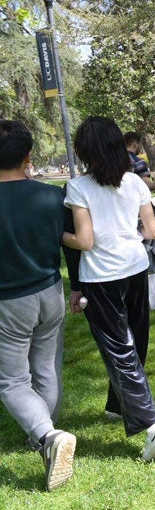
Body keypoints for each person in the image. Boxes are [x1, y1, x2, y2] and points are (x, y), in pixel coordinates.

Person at [63, 116, 155, 461]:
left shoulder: (78, 186)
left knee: (119, 350)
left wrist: (58, 235)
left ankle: (153, 428)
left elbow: (84, 240)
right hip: (136, 268)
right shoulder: (135, 182)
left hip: (101, 278)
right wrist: (127, 238)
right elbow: (152, 232)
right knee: (135, 342)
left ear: (85, 151)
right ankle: (117, 406)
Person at [0, 120, 76, 490]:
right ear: (28, 156)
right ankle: (44, 437)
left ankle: (47, 436)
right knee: (46, 367)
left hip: (10, 299)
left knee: (12, 380)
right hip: (50, 291)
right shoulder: (51, 196)